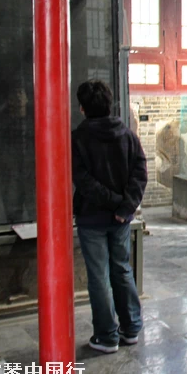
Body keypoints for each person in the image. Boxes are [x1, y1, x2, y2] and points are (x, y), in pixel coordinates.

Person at [72, 80, 147, 354]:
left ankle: (106, 336)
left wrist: (116, 203)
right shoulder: (127, 135)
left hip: (93, 218)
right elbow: (140, 172)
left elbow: (83, 181)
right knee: (122, 269)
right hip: (121, 219)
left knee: (99, 276)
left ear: (82, 108)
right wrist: (124, 206)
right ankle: (131, 328)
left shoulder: (78, 139)